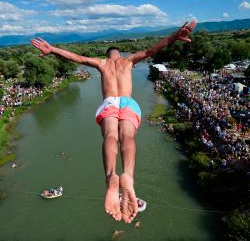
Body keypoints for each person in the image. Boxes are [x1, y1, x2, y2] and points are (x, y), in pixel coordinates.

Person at [31, 21, 196, 223]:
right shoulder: (128, 61)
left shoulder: (101, 63)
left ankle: (111, 176)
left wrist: (53, 49)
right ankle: (128, 175)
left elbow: (78, 58)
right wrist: (174, 37)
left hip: (109, 103)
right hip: (128, 102)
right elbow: (153, 49)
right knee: (127, 136)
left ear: (108, 55)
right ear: (118, 54)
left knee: (110, 135)